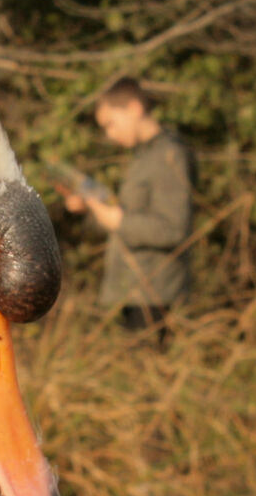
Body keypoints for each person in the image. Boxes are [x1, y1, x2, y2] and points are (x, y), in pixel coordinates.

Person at [54, 77, 193, 330]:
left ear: (134, 108)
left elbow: (173, 229)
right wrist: (89, 209)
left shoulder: (169, 155)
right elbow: (126, 219)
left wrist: (119, 221)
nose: (109, 134)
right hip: (133, 293)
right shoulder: (142, 156)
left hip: (156, 297)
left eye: (110, 124)